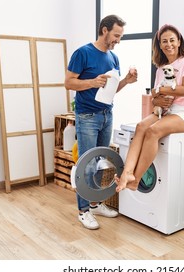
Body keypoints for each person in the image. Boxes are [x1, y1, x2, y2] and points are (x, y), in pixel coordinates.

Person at [64, 14, 138, 230]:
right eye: (116, 35)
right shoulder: (83, 53)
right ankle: (83, 210)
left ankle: (95, 204)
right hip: (87, 116)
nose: (118, 40)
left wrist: (126, 81)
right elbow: (68, 83)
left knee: (99, 163)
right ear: (104, 30)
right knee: (86, 164)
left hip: (107, 115)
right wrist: (92, 82)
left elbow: (112, 90)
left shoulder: (113, 58)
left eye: (120, 36)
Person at [115, 24, 184, 192]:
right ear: (160, 45)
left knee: (153, 131)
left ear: (179, 41)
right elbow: (155, 98)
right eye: (164, 41)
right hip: (165, 112)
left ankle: (136, 179)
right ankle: (127, 173)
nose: (169, 44)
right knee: (140, 127)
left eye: (172, 40)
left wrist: (159, 91)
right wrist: (157, 100)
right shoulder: (160, 68)